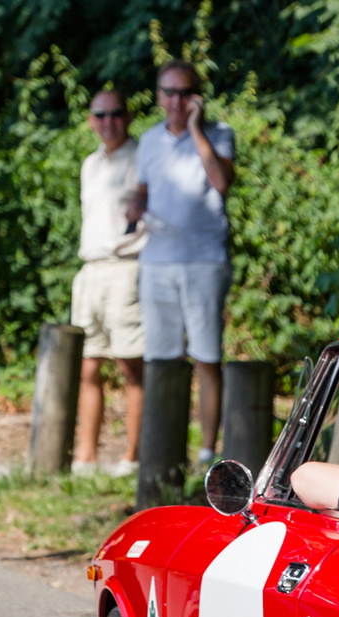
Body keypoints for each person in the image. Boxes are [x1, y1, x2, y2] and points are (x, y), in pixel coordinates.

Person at [129, 59, 236, 468]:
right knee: (162, 359)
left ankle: (208, 453)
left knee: (207, 358)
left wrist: (195, 130)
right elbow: (143, 187)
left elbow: (222, 182)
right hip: (156, 261)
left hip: (204, 261)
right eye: (168, 92)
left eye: (183, 92)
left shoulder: (219, 134)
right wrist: (135, 204)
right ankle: (164, 452)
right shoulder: (148, 140)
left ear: (197, 96)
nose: (175, 100)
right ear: (158, 96)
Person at [70, 87, 145, 477]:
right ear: (90, 120)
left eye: (115, 113)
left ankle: (132, 456)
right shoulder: (90, 164)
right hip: (90, 269)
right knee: (87, 364)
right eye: (100, 115)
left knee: (130, 363)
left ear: (128, 116)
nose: (108, 121)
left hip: (126, 266)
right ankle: (85, 456)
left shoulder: (142, 157)